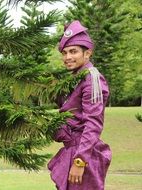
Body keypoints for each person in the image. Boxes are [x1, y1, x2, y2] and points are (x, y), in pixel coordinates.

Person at [48, 20, 112, 190]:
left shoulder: (92, 78)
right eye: (65, 52)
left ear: (87, 53)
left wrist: (80, 161)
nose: (67, 57)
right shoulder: (77, 77)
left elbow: (93, 123)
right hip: (73, 150)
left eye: (73, 52)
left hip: (84, 153)